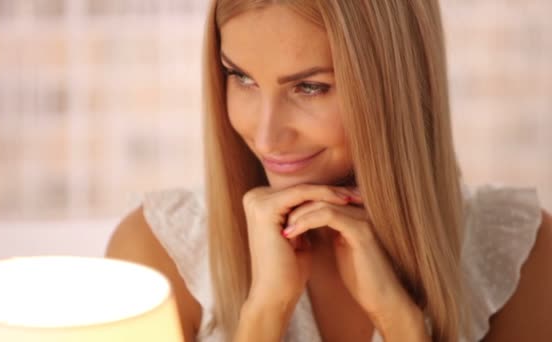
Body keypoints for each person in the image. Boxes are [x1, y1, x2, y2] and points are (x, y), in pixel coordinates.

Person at [106, 1, 552, 341]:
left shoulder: (521, 251)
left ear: (395, 85)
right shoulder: (157, 252)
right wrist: (263, 315)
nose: (265, 138)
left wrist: (401, 324)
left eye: (310, 87)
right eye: (240, 77)